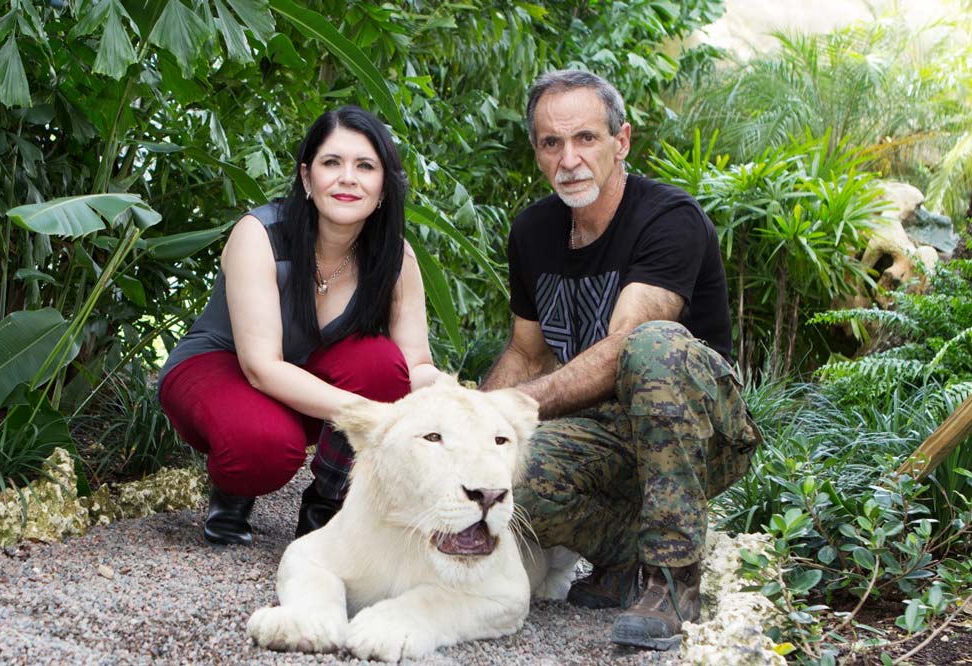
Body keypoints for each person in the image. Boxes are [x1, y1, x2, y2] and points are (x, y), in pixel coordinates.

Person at [480, 70, 762, 650]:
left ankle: (672, 576)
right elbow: (525, 351)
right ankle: (625, 555)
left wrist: (515, 405)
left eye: (586, 138)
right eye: (551, 143)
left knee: (651, 345)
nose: (569, 159)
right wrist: (475, 427)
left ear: (621, 140)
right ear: (536, 151)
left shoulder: (668, 218)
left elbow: (624, 349)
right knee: (501, 479)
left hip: (697, 431)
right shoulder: (533, 231)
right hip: (601, 434)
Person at [158, 106, 441, 546]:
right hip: (222, 367)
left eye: (365, 166)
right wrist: (368, 414)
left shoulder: (395, 258)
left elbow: (414, 365)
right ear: (308, 179)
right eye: (332, 163)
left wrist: (459, 400)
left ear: (383, 184)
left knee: (382, 365)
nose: (348, 178)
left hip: (310, 387)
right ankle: (234, 492)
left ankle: (327, 504)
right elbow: (262, 368)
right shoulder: (260, 234)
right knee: (264, 444)